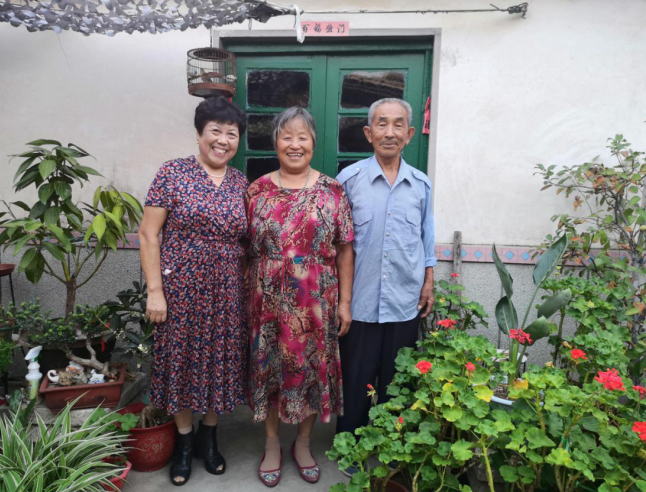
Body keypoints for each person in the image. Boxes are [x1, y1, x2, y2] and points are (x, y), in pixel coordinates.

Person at [139, 96, 248, 486]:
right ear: (200, 134)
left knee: (220, 361)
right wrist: (155, 291)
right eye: (215, 131)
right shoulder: (172, 173)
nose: (222, 140)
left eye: (231, 134)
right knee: (181, 361)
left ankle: (209, 436)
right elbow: (148, 234)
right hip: (180, 288)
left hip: (227, 290)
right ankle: (184, 441)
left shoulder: (241, 183)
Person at [245, 107, 354, 487]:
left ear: (313, 142)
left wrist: (344, 303)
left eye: (302, 137)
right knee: (271, 371)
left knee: (311, 370)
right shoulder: (256, 190)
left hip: (315, 301)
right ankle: (272, 444)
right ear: (276, 142)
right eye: (286, 136)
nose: (294, 144)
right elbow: (244, 250)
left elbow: (345, 249)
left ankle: (303, 444)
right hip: (267, 301)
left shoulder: (332, 191)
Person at [335, 98, 437, 455]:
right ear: (368, 133)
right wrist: (341, 300)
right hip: (360, 302)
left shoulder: (421, 185)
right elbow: (338, 245)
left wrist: (428, 281)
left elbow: (426, 237)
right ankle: (350, 449)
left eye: (398, 125)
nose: (389, 132)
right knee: (356, 380)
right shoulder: (348, 181)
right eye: (381, 124)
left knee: (398, 384)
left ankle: (392, 452)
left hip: (404, 301)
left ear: (410, 134)